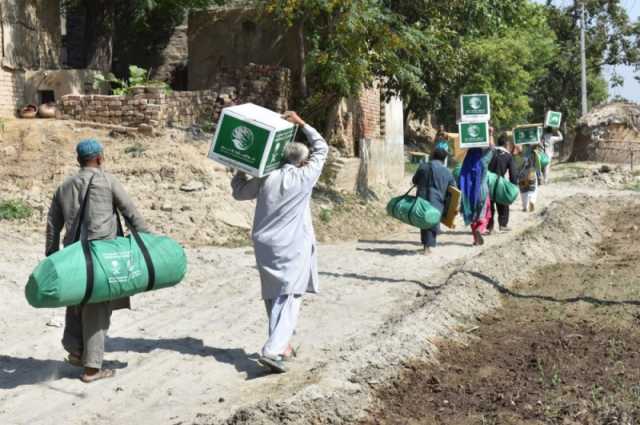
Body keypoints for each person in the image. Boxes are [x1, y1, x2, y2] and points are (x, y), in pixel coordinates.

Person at [231, 111, 328, 374]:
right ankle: (272, 350)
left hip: (264, 245)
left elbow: (239, 192)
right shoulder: (305, 177)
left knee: (273, 295)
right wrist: (303, 123)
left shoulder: (267, 177)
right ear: (302, 162)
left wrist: (241, 167)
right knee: (290, 296)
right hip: (292, 246)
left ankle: (282, 346)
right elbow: (322, 147)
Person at [46, 139, 148, 383]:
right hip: (103, 255)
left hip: (73, 256)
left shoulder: (64, 186)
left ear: (79, 160)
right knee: (97, 308)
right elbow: (130, 213)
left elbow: (53, 225)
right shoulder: (107, 180)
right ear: (100, 158)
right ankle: (92, 368)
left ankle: (76, 350)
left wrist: (51, 257)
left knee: (76, 300)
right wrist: (149, 244)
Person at [412, 148, 456, 255]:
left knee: (423, 220)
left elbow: (414, 180)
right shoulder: (446, 171)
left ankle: (426, 246)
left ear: (432, 155)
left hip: (421, 199)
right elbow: (454, 188)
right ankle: (427, 247)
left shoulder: (423, 166)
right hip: (437, 200)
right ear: (444, 158)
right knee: (432, 220)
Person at [459, 147, 494, 245]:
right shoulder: (483, 161)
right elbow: (492, 148)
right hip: (481, 191)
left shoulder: (466, 162)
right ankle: (480, 229)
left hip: (468, 192)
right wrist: (490, 134)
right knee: (484, 214)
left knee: (472, 216)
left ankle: (476, 239)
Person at [487, 134, 517, 233]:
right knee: (503, 204)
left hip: (488, 181)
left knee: (489, 205)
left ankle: (490, 227)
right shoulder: (508, 156)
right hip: (499, 182)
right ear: (506, 144)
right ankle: (503, 225)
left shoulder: (490, 152)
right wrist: (513, 185)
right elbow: (513, 173)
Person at [513, 144, 540, 212]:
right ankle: (532, 201)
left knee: (523, 191)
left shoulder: (515, 156)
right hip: (531, 173)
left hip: (521, 175)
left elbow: (514, 167)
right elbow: (538, 163)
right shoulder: (533, 153)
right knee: (533, 189)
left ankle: (525, 206)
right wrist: (539, 173)